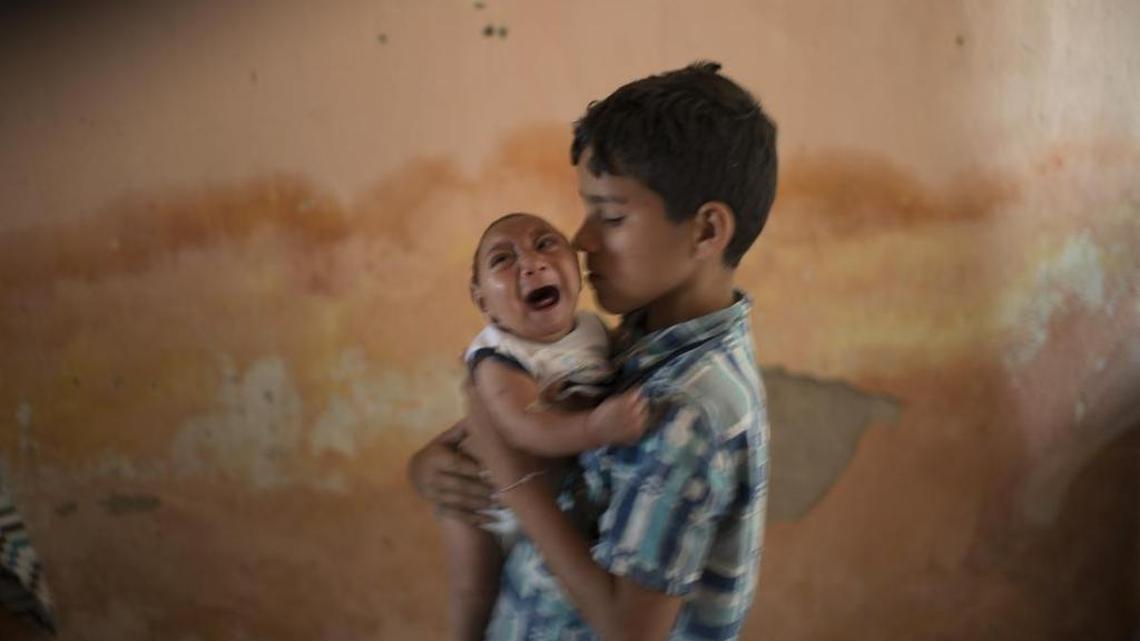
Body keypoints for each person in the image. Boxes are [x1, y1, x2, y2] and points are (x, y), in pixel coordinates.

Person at [410, 60, 777, 641]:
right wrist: (436, 465)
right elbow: (553, 428)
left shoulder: (688, 410)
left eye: (609, 216)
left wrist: (511, 481)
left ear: (706, 232)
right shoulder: (639, 337)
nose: (581, 240)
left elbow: (627, 629)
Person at [440, 211, 649, 641]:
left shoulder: (593, 329)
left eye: (546, 243)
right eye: (503, 259)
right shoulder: (498, 355)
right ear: (483, 303)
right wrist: (596, 427)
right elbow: (523, 428)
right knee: (474, 589)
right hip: (485, 498)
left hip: (548, 497)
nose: (531, 262)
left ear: (575, 267)